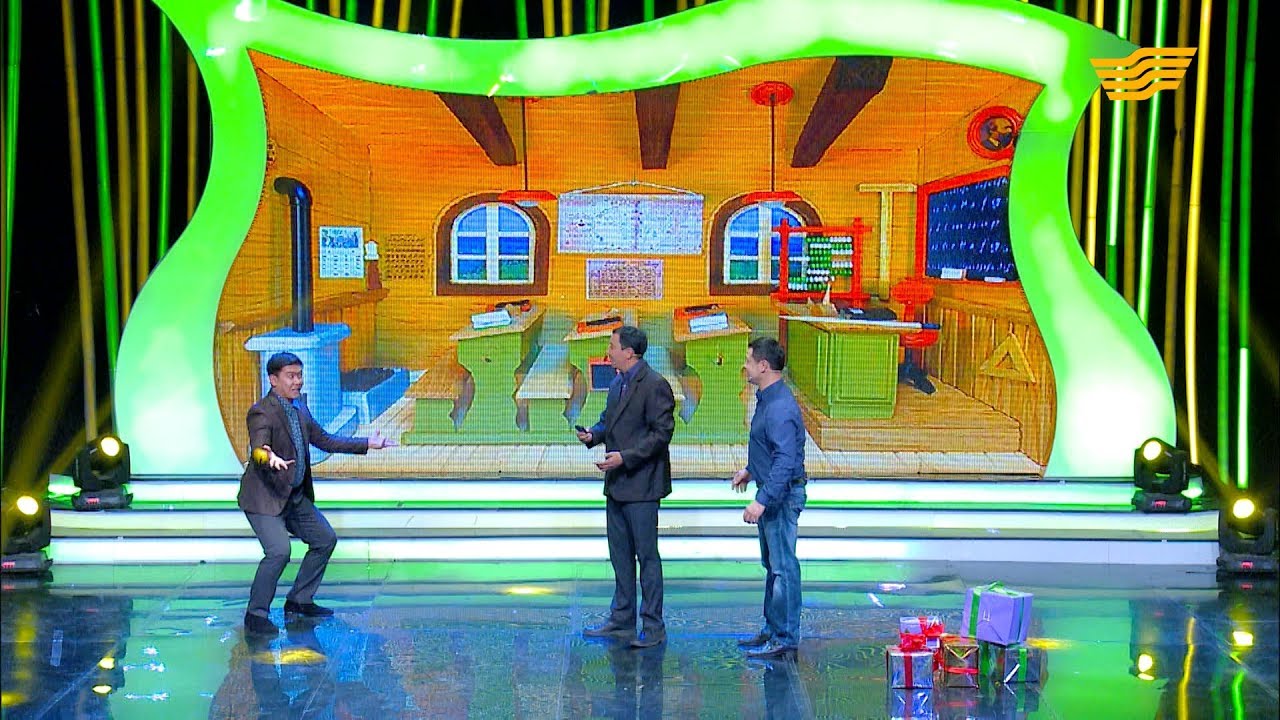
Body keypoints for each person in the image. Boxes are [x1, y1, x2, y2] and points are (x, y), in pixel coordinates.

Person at [239, 351, 395, 634]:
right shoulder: (262, 411)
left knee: (324, 539)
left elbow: (325, 440)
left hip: (294, 496)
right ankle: (255, 614)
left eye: (299, 375)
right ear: (273, 379)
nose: (297, 381)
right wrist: (269, 457)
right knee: (279, 551)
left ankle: (299, 600)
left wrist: (367, 443)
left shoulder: (300, 407)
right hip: (265, 497)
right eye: (291, 376)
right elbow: (258, 450)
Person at [576, 325, 676, 648]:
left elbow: (661, 435)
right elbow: (609, 420)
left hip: (642, 486)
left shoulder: (655, 385)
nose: (608, 352)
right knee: (620, 556)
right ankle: (621, 619)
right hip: (617, 485)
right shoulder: (617, 382)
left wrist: (625, 457)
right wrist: (593, 435)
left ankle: (653, 627)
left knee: (646, 557)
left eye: (612, 346)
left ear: (629, 352)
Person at [732, 336, 807, 658]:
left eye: (749, 361)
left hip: (781, 498)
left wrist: (761, 500)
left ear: (763, 366)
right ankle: (773, 629)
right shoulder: (767, 399)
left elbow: (785, 461)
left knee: (783, 568)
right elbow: (770, 448)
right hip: (772, 490)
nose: (745, 366)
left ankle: (785, 636)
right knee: (774, 566)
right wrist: (751, 470)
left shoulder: (779, 407)